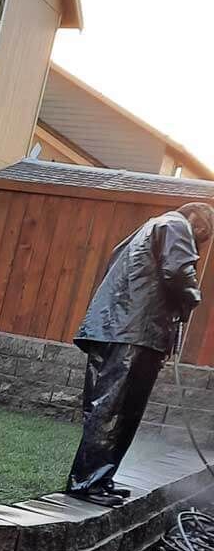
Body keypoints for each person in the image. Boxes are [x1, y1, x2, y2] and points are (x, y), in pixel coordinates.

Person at [66, 200, 214, 506]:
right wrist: (192, 297)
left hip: (113, 327)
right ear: (194, 218)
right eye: (203, 230)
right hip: (135, 331)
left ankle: (98, 478)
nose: (201, 238)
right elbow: (178, 271)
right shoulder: (175, 225)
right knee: (115, 409)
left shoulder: (145, 229)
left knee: (107, 407)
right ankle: (88, 483)